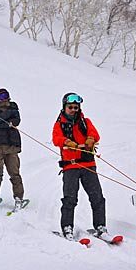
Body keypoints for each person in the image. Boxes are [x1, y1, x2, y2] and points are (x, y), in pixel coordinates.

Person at [51, 92, 107, 240]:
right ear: (65, 107)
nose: (74, 109)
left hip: (88, 165)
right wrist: (67, 142)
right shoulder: (59, 124)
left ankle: (101, 227)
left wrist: (90, 138)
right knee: (70, 199)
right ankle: (67, 227)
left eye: (76, 107)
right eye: (71, 107)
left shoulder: (85, 121)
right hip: (70, 167)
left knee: (97, 197)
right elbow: (56, 138)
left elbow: (95, 134)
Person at [0, 88, 25, 212]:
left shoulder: (14, 109)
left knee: (14, 173)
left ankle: (19, 198)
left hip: (12, 145)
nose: (4, 98)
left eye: (6, 96)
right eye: (1, 96)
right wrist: (8, 120)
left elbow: (16, 121)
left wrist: (4, 121)